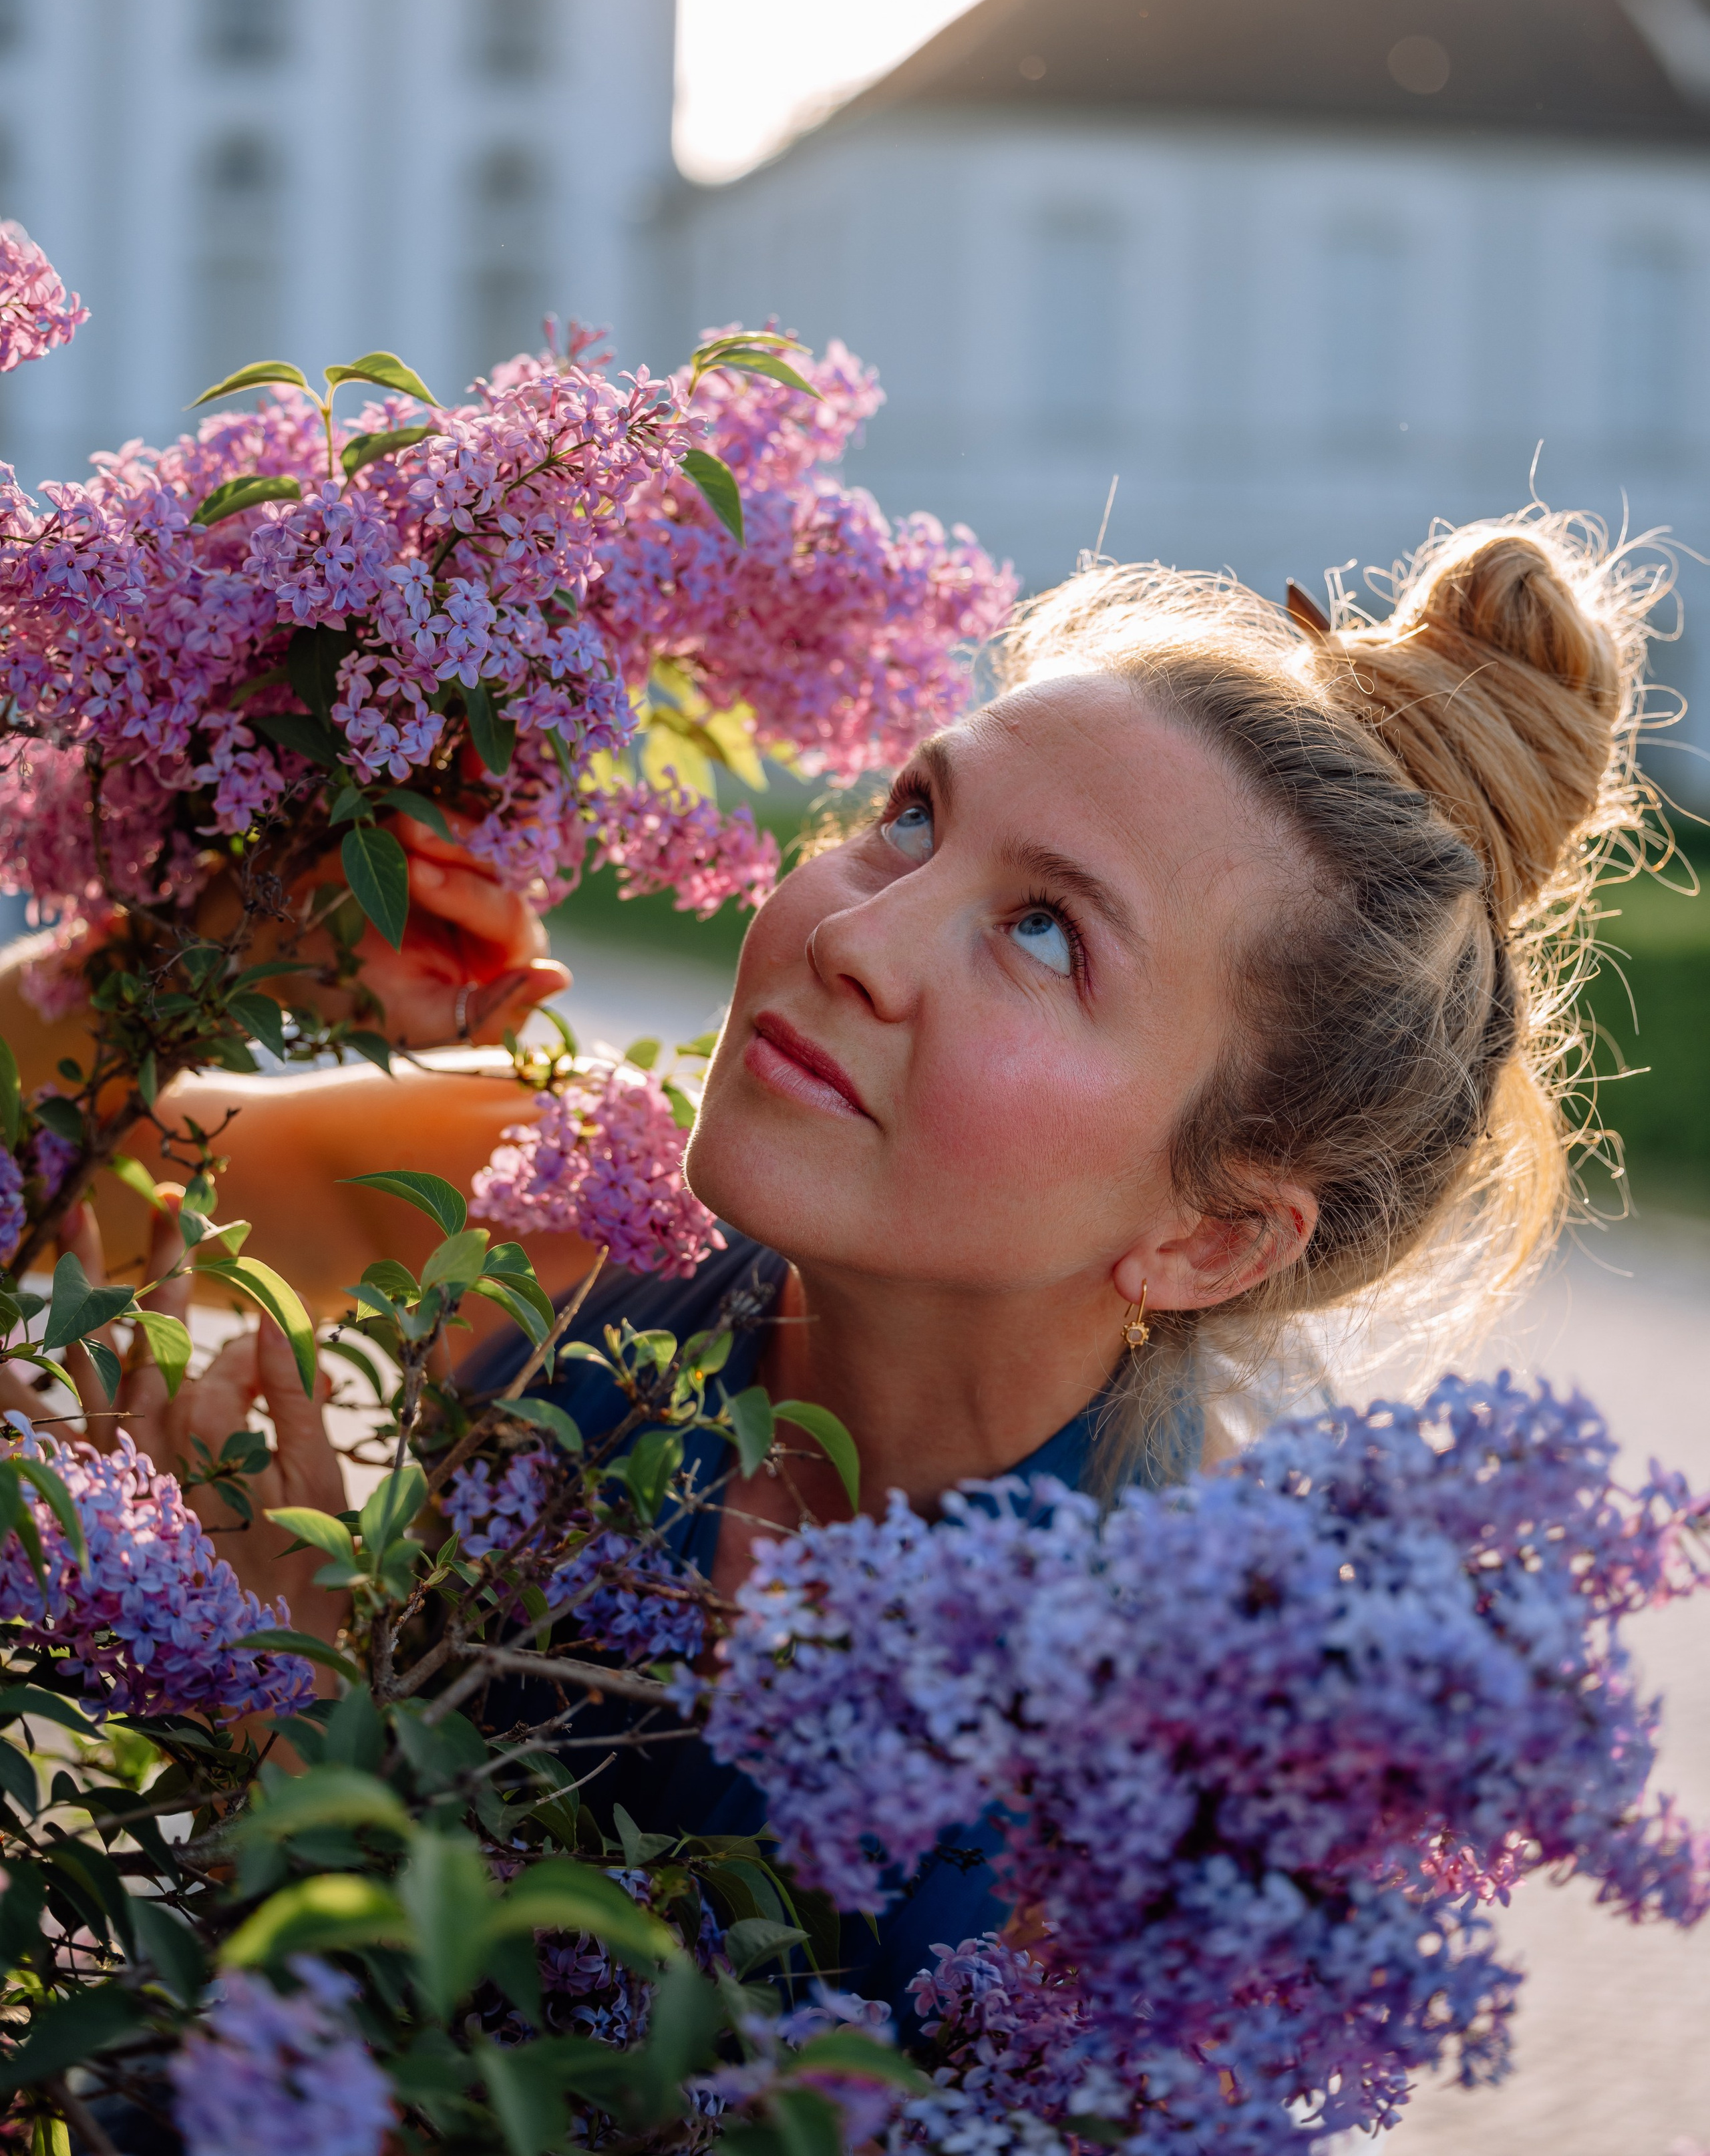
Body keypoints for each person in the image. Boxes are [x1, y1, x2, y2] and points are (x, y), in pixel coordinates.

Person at [0, 512, 1668, 1994]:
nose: (852, 934)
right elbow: (57, 1168)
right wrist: (178, 953)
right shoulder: (575, 1208)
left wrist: (283, 1748)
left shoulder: (1141, 1792)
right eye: (909, 813)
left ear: (1211, 1231)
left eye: (1042, 931)